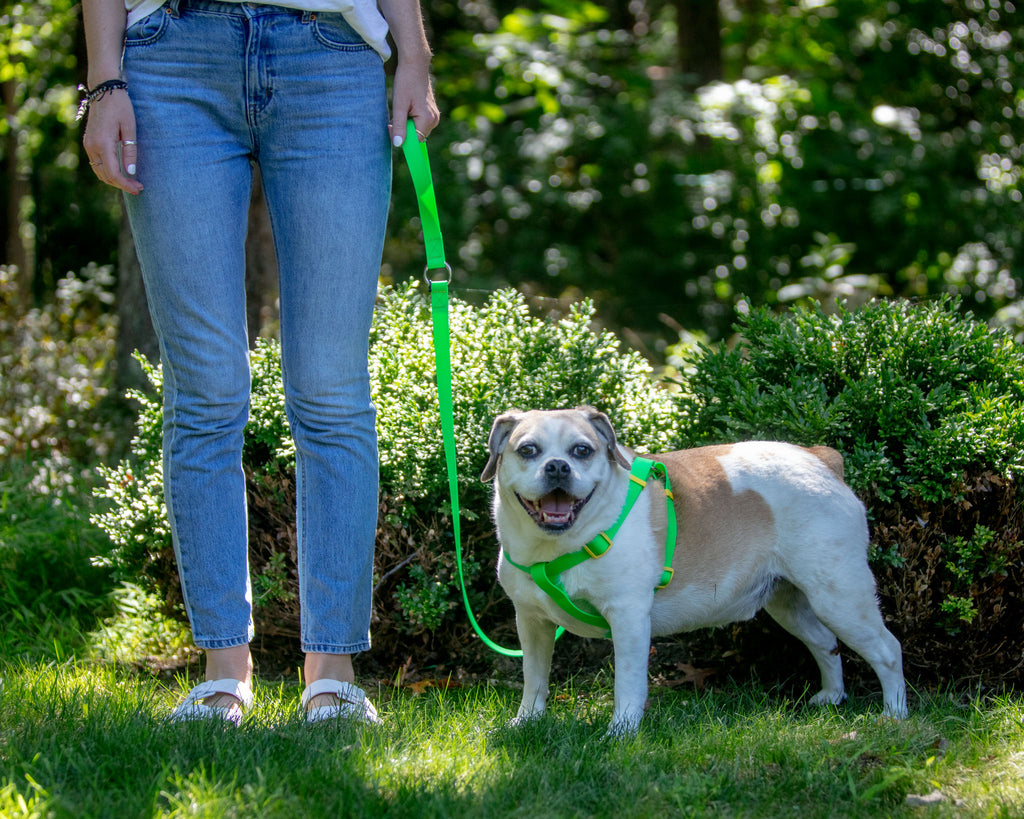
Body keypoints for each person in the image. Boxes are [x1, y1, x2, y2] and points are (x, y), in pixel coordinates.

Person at [80, 0, 440, 724]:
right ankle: (223, 675)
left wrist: (416, 55)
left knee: (332, 391)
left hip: (331, 56)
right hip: (169, 54)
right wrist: (104, 80)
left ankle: (331, 676)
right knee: (205, 392)